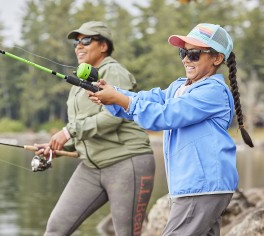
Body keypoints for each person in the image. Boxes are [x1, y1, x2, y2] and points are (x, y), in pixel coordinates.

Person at [88, 23, 254, 235]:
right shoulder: (179, 87)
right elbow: (145, 100)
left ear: (217, 59)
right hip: (196, 188)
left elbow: (165, 116)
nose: (186, 59)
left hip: (202, 188)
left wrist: (119, 99)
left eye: (193, 54)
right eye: (183, 52)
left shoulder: (213, 92)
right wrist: (112, 95)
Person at [35, 21, 156, 236]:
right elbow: (84, 126)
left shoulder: (114, 72)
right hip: (91, 167)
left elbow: (113, 117)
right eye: (76, 42)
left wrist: (68, 132)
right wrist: (57, 146)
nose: (79, 46)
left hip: (127, 163)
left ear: (104, 46)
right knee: (55, 228)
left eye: (86, 40)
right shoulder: (80, 80)